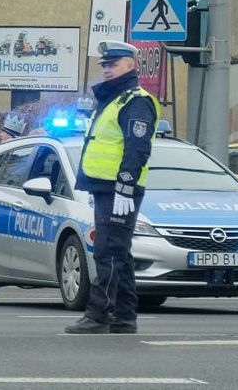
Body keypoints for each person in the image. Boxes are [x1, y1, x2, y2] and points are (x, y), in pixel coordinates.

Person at [66, 41, 158, 336]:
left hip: (119, 188)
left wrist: (125, 186)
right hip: (106, 188)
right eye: (105, 64)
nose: (107, 69)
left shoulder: (135, 101)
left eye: (113, 64)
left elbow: (137, 148)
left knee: (108, 251)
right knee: (120, 252)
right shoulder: (113, 99)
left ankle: (99, 314)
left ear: (131, 65)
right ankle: (124, 315)